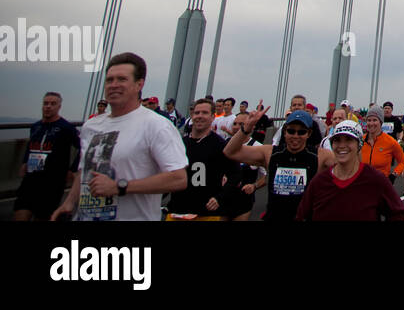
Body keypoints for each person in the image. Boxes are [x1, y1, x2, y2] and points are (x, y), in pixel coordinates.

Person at [52, 52, 188, 221]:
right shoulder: (91, 126)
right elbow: (84, 172)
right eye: (110, 80)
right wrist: (69, 203)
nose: (113, 85)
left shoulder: (156, 125)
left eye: (122, 79)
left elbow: (178, 179)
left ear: (139, 84)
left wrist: (119, 187)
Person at [224, 105, 320, 221]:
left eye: (301, 132)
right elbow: (230, 152)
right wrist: (246, 128)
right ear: (284, 132)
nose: (295, 136)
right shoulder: (270, 153)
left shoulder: (320, 156)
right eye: (291, 131)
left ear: (309, 134)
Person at [296, 120, 404, 220]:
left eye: (348, 140)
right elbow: (302, 216)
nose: (342, 145)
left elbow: (398, 213)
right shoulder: (319, 182)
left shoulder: (375, 180)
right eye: (337, 140)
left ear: (359, 145)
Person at [165, 97, 237, 221]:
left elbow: (235, 174)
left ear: (213, 117)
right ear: (192, 116)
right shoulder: (181, 144)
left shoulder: (220, 145)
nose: (200, 116)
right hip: (178, 210)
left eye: (204, 113)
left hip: (205, 213)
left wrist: (219, 197)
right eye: (197, 113)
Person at [14, 92, 80, 222]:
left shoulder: (66, 128)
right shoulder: (36, 127)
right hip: (30, 180)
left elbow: (84, 147)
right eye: (46, 103)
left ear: (59, 106)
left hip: (51, 183)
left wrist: (73, 169)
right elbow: (30, 145)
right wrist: (24, 162)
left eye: (53, 104)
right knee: (20, 213)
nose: (48, 106)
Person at [360, 105, 404, 187]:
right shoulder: (360, 140)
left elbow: (402, 162)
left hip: (381, 185)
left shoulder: (390, 141)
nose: (371, 123)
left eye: (375, 120)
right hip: (362, 184)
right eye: (369, 120)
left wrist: (393, 176)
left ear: (381, 122)